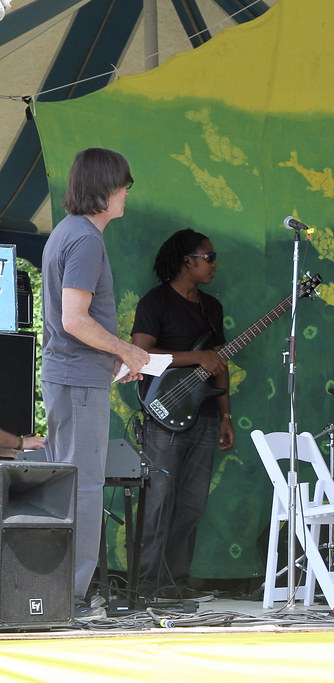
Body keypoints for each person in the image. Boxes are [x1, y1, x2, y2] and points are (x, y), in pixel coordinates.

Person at [41, 148, 150, 619]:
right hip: (78, 381)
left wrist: (114, 358)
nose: (127, 191)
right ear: (105, 188)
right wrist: (126, 350)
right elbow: (74, 320)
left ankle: (58, 593)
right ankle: (74, 598)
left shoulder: (66, 234)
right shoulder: (85, 241)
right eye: (124, 184)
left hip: (72, 376)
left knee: (69, 486)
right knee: (83, 488)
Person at [131, 229, 233, 602]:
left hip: (205, 415)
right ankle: (144, 587)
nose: (214, 263)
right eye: (209, 257)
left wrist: (226, 415)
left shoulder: (211, 308)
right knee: (158, 501)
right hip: (163, 415)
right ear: (186, 261)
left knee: (192, 504)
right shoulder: (155, 302)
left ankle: (175, 584)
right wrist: (194, 358)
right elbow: (139, 355)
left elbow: (219, 363)